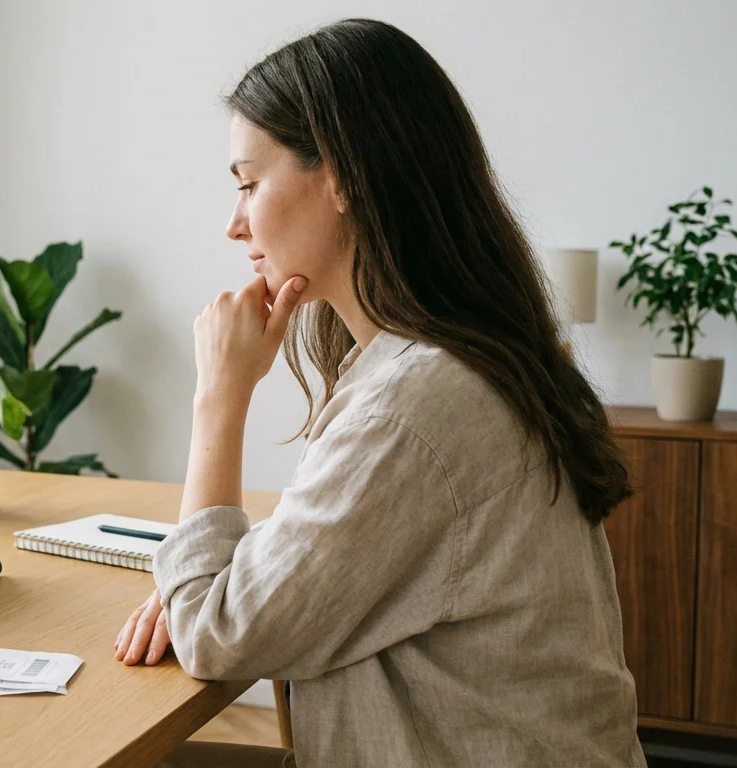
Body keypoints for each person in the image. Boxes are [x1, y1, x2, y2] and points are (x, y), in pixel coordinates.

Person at [114, 18, 645, 768]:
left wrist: (219, 399)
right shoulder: (441, 364)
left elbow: (214, 635)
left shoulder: (419, 406)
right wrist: (215, 586)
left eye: (248, 183)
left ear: (341, 177)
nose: (234, 224)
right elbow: (280, 582)